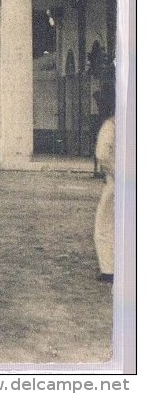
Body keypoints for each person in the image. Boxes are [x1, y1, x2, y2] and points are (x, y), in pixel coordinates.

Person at [93, 89, 116, 283]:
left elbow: (102, 155)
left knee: (105, 225)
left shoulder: (111, 125)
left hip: (118, 183)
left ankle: (109, 269)